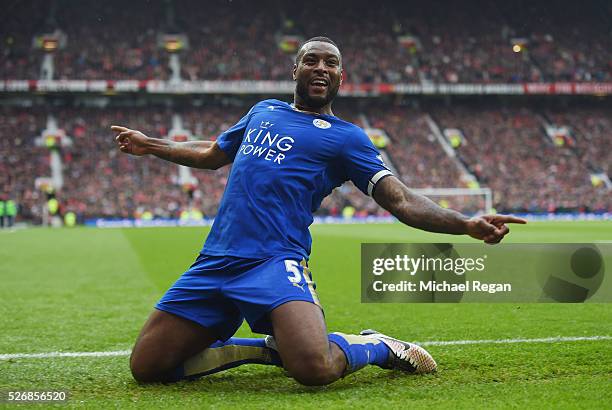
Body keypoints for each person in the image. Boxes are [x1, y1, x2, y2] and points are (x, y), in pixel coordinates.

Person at [111, 37, 526, 386]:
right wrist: (153, 146)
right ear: (296, 70)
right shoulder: (263, 112)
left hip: (275, 261)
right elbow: (210, 153)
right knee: (147, 368)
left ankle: (377, 345)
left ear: (340, 77)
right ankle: (268, 349)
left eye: (331, 63)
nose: (321, 68)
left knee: (314, 369)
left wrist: (465, 224)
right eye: (311, 60)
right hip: (217, 260)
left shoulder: (348, 139)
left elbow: (399, 199)